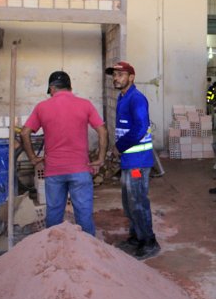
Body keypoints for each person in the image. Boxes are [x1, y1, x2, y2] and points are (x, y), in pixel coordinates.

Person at [21, 71, 107, 236]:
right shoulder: (85, 104)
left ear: (52, 88)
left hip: (54, 171)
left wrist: (33, 158)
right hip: (80, 170)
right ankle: (89, 252)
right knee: (84, 213)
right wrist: (100, 158)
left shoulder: (42, 107)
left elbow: (25, 133)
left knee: (54, 214)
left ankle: (55, 249)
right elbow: (102, 130)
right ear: (70, 87)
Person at [105, 61, 160, 260]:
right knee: (128, 202)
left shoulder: (136, 99)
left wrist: (119, 147)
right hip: (129, 160)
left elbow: (139, 128)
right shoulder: (123, 97)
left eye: (121, 74)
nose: (116, 78)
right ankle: (136, 236)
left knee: (138, 200)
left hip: (138, 161)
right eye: (114, 75)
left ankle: (149, 241)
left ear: (131, 77)